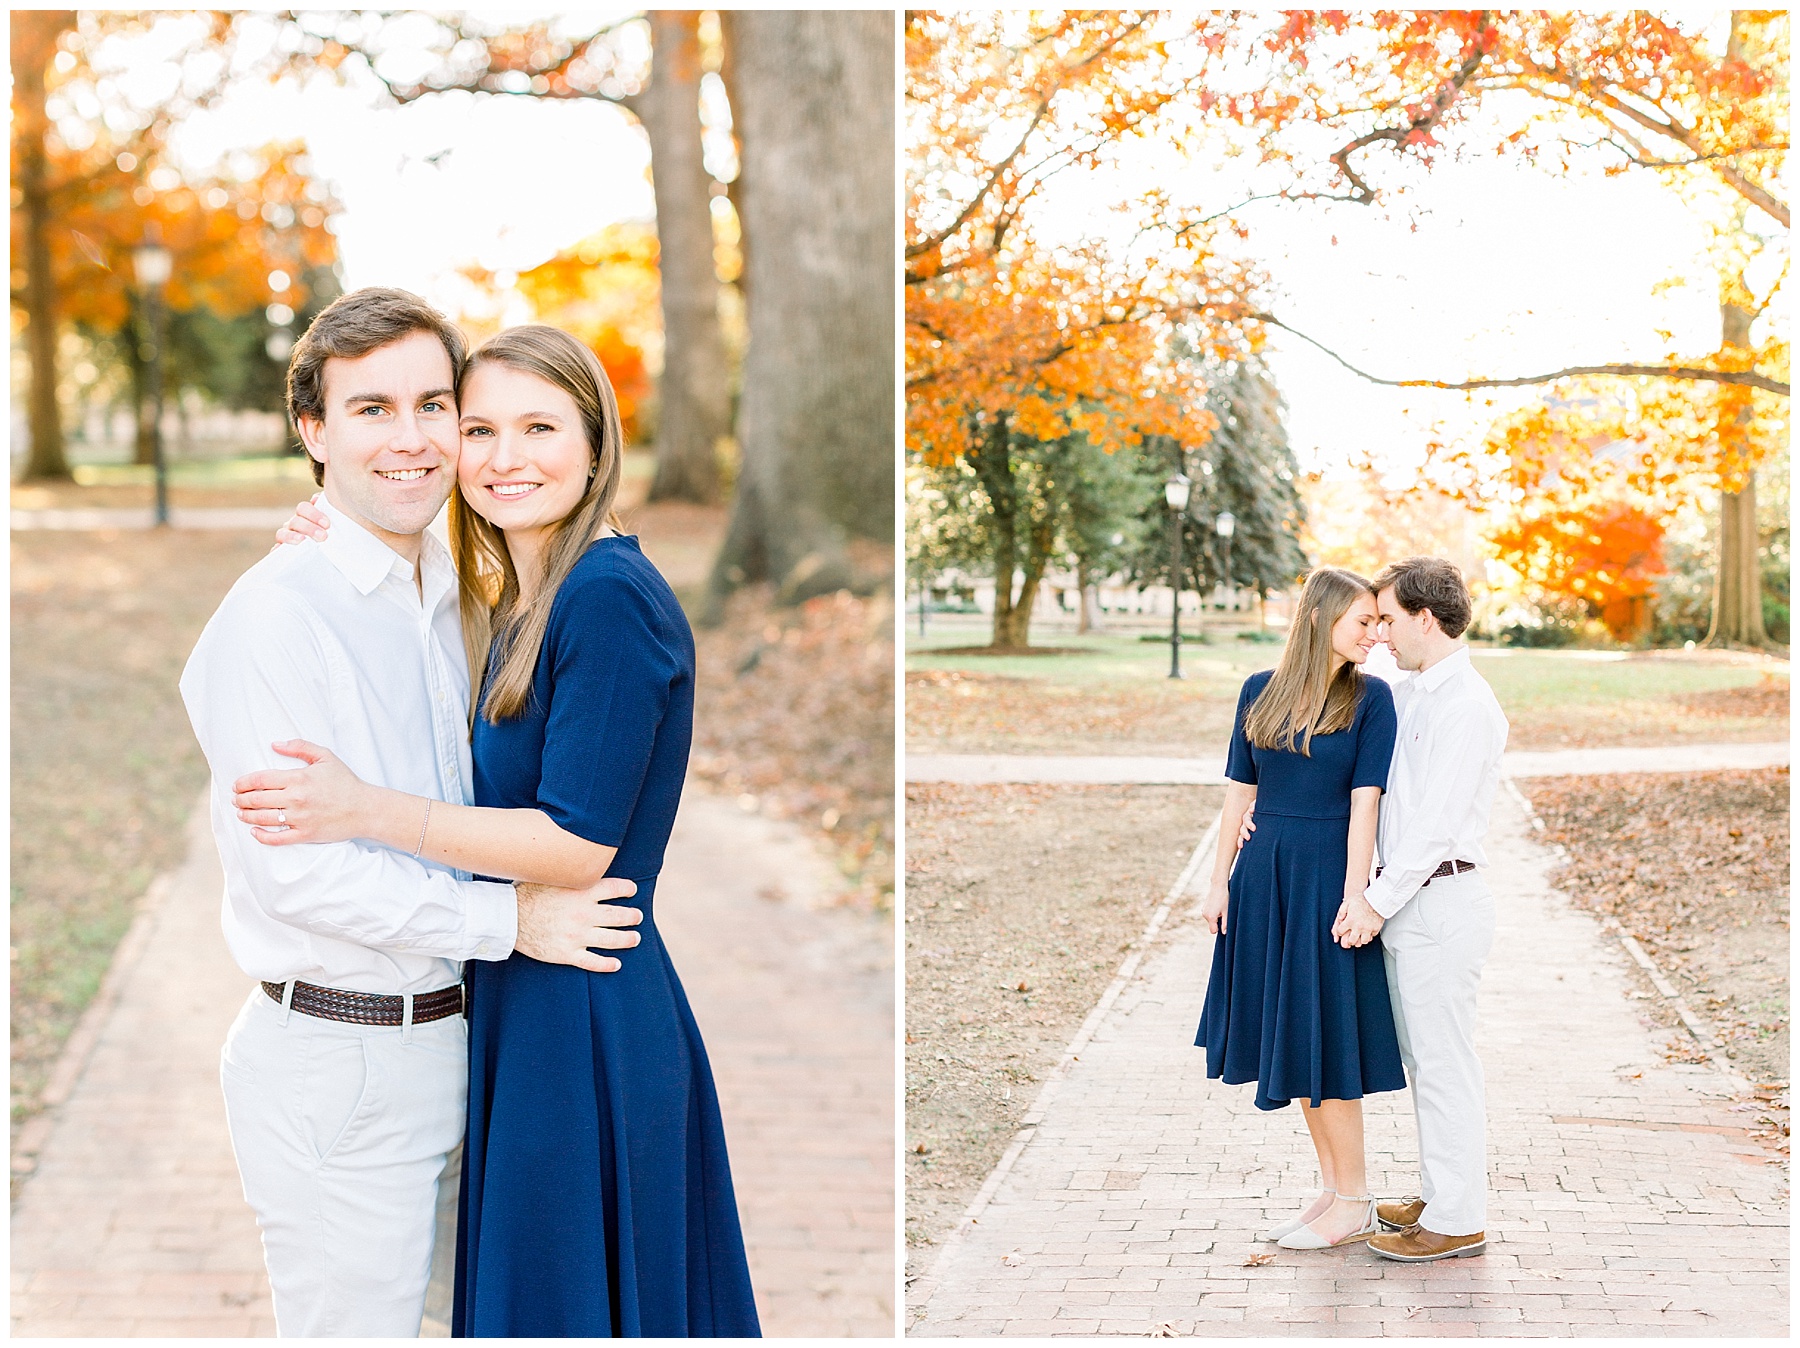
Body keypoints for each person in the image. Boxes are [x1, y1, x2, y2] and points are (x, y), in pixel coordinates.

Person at [234, 323, 761, 1335]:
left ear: (597, 443)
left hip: (584, 1012)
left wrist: (365, 809)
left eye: (539, 427)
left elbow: (574, 846)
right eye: (480, 428)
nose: (506, 457)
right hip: (530, 998)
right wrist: (331, 528)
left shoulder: (607, 598)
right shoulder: (529, 593)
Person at [179, 288, 646, 1338]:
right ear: (314, 430)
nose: (412, 438)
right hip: (340, 1064)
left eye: (436, 405)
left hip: (463, 1045)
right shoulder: (275, 618)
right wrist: (509, 922)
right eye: (370, 410)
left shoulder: (450, 584)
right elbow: (295, 874)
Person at [1194, 566, 1406, 1250]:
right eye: (1363, 621)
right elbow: (1238, 794)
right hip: (1264, 881)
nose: (1375, 633)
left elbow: (1364, 802)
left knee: (1326, 1042)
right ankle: (1332, 1190)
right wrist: (1218, 880)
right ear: (1319, 617)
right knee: (1296, 1037)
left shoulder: (1372, 700)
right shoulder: (1259, 690)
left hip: (1324, 882)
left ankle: (1355, 1197)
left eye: (1379, 621)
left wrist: (1356, 894)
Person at [1358, 557, 1508, 1262]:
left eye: (1388, 617)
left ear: (1425, 617)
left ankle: (1458, 1219)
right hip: (1415, 901)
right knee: (1427, 1060)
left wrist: (1374, 904)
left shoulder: (1467, 705)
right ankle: (1443, 1191)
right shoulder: (1414, 689)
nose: (1381, 632)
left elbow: (1436, 827)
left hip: (1439, 900)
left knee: (1445, 1063)